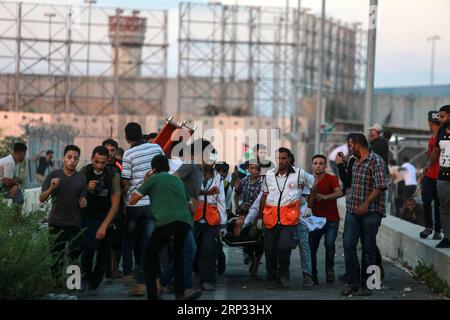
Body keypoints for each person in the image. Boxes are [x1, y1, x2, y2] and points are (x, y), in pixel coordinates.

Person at [129, 154, 192, 300]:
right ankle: (180, 294)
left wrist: (146, 182)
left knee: (149, 258)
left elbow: (133, 200)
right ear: (168, 167)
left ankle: (153, 295)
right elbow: (191, 206)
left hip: (165, 222)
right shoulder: (178, 180)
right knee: (178, 257)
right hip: (184, 223)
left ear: (153, 169)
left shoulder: (153, 179)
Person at [259, 147, 314, 289]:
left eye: (284, 158)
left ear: (289, 159)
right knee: (269, 249)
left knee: (284, 247)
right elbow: (264, 196)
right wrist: (260, 218)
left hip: (289, 219)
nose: (281, 161)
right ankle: (271, 278)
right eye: (278, 158)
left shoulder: (299, 173)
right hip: (270, 218)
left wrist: (309, 207)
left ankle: (284, 275)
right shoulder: (269, 175)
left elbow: (314, 187)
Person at [341, 133, 388, 297]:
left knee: (368, 248)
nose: (348, 148)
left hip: (371, 212)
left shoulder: (376, 161)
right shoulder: (354, 161)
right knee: (348, 244)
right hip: (353, 209)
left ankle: (366, 284)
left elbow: (380, 186)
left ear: (356, 145)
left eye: (349, 145)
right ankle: (352, 283)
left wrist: (366, 204)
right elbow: (350, 182)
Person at [121, 122, 164, 296]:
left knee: (136, 245)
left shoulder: (128, 154)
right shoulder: (157, 148)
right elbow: (163, 169)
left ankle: (141, 280)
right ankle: (156, 278)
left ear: (127, 137)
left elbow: (125, 181)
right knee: (151, 242)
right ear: (142, 134)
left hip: (135, 204)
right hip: (154, 203)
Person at [39, 145, 87, 279]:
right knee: (56, 257)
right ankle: (56, 285)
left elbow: (83, 197)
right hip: (56, 223)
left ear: (78, 160)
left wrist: (84, 201)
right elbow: (41, 198)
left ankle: (73, 286)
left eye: (75, 158)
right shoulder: (53, 175)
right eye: (69, 157)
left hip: (74, 224)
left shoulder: (81, 178)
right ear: (63, 158)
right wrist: (51, 188)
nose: (72, 161)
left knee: (74, 257)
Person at [79, 146, 120, 292]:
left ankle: (94, 284)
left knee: (104, 254)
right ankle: (84, 279)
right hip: (88, 217)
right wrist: (86, 188)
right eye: (96, 162)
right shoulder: (85, 171)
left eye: (103, 162)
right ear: (92, 159)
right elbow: (76, 193)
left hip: (106, 217)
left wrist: (104, 226)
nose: (99, 166)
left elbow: (115, 204)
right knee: (87, 249)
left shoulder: (113, 175)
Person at [193, 147, 227, 292]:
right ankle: (196, 274)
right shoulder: (193, 174)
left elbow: (221, 201)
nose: (210, 161)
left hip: (211, 220)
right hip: (194, 218)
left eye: (212, 158)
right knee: (193, 249)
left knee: (208, 248)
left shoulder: (218, 178)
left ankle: (208, 279)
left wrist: (223, 224)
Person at [308, 154, 344, 285]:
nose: (318, 165)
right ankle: (313, 274)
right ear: (312, 166)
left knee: (329, 244)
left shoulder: (331, 178)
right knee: (311, 248)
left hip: (331, 220)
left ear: (325, 165)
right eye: (316, 163)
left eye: (321, 163)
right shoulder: (308, 180)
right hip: (313, 221)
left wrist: (325, 197)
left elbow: (339, 192)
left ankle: (329, 269)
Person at [427, 105, 450, 248]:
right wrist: (429, 163)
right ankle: (447, 237)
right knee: (444, 208)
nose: (440, 119)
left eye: (442, 116)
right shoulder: (441, 131)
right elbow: (436, 149)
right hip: (442, 176)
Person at [102, 139, 125, 282]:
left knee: (117, 243)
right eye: (107, 150)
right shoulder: (97, 166)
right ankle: (107, 270)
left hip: (118, 209)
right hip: (101, 209)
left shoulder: (120, 167)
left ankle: (114, 268)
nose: (110, 154)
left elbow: (126, 185)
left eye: (112, 150)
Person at [234, 161, 263, 267]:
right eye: (251, 168)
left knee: (255, 236)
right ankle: (248, 254)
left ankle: (255, 260)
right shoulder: (244, 180)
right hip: (244, 212)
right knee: (243, 234)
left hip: (258, 214)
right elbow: (236, 194)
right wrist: (237, 207)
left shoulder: (264, 183)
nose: (253, 170)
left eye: (256, 168)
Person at [419, 111, 442, 240]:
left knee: (435, 203)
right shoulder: (432, 137)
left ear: (430, 122)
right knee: (427, 199)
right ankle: (430, 227)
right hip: (431, 174)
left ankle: (436, 230)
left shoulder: (441, 137)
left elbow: (433, 156)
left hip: (440, 175)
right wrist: (425, 172)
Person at [214, 162, 231, 276]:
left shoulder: (227, 186)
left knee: (216, 243)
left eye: (224, 172)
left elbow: (225, 204)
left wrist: (223, 222)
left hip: (218, 217)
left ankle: (220, 261)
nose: (221, 174)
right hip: (205, 216)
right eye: (219, 171)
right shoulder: (213, 181)